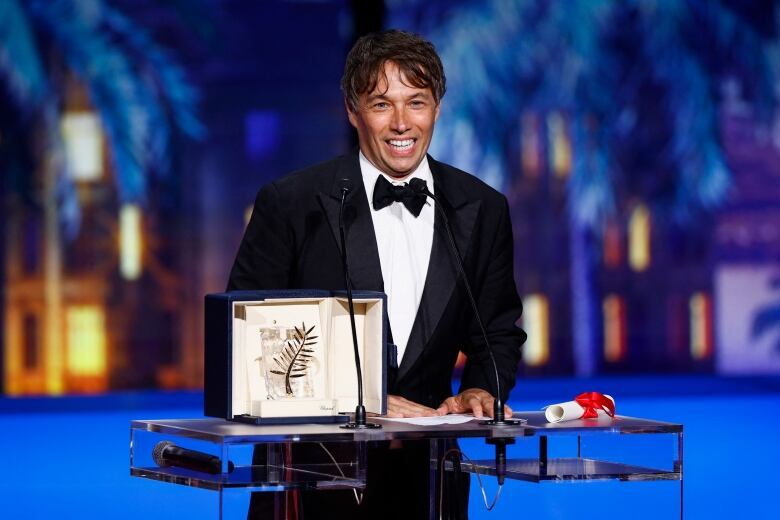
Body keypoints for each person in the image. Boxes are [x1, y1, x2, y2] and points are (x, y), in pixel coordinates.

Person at [228, 29, 525, 519]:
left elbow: (495, 330)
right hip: (313, 481)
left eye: (418, 102)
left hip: (431, 483)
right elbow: (246, 340)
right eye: (382, 104)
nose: (402, 123)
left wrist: (480, 388)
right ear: (352, 110)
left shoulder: (482, 207)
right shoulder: (292, 203)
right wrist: (356, 400)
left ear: (437, 107)